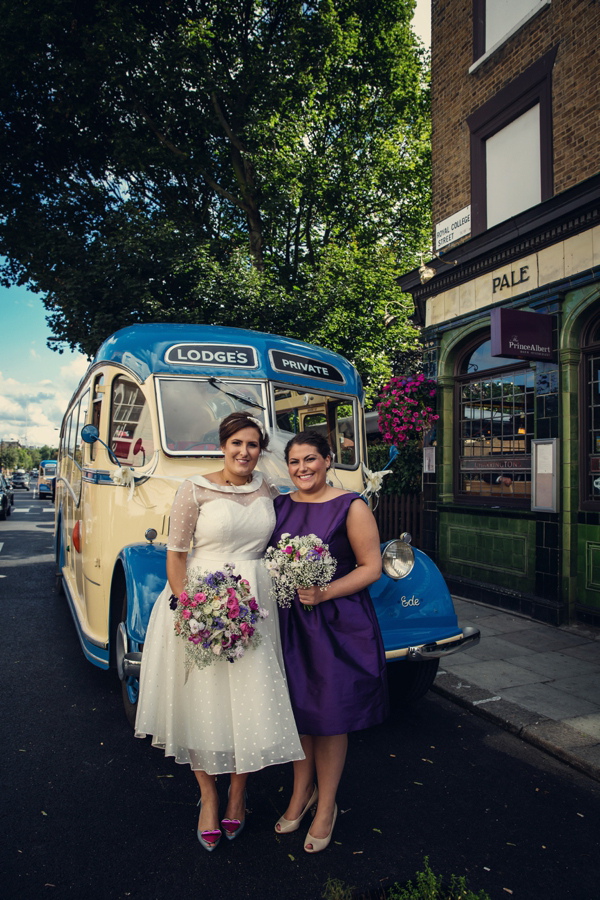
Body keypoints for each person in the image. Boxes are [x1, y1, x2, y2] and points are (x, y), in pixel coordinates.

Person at [135, 411, 304, 851]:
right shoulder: (194, 489)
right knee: (201, 698)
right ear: (222, 446)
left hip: (257, 604)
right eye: (236, 444)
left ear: (259, 451)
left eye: (252, 445)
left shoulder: (269, 488)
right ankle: (208, 796)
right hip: (203, 601)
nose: (244, 452)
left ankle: (237, 792)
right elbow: (176, 555)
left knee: (250, 696)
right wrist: (192, 609)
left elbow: (304, 508)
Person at [270, 430, 388, 853]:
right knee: (297, 710)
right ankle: (301, 793)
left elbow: (371, 566)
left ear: (328, 459)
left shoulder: (350, 505)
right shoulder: (279, 505)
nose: (303, 468)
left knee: (331, 713)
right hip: (289, 623)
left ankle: (328, 805)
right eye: (295, 462)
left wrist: (324, 592)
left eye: (311, 459)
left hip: (336, 623)